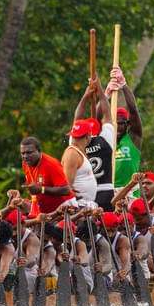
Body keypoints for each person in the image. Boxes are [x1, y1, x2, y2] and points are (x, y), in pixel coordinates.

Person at [80, 74, 118, 210]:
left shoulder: (78, 143)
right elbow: (108, 116)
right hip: (106, 191)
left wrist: (85, 96)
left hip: (86, 194)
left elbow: (77, 118)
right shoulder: (105, 139)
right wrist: (101, 90)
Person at [106, 67, 143, 195]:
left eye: (121, 123)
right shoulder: (106, 140)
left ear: (127, 124)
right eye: (114, 123)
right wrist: (106, 96)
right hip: (110, 192)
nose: (117, 127)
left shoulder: (133, 137)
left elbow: (133, 110)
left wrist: (123, 84)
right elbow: (95, 119)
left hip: (131, 193)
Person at [20, 136, 73, 215]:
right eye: (23, 153)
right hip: (45, 212)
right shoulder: (25, 163)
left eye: (29, 152)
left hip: (64, 209)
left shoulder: (51, 164)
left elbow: (66, 190)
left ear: (39, 151)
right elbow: (35, 186)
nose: (25, 156)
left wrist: (41, 189)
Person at [62, 119, 98, 207]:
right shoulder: (72, 154)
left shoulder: (79, 151)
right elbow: (66, 185)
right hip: (77, 207)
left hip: (84, 205)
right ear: (88, 136)